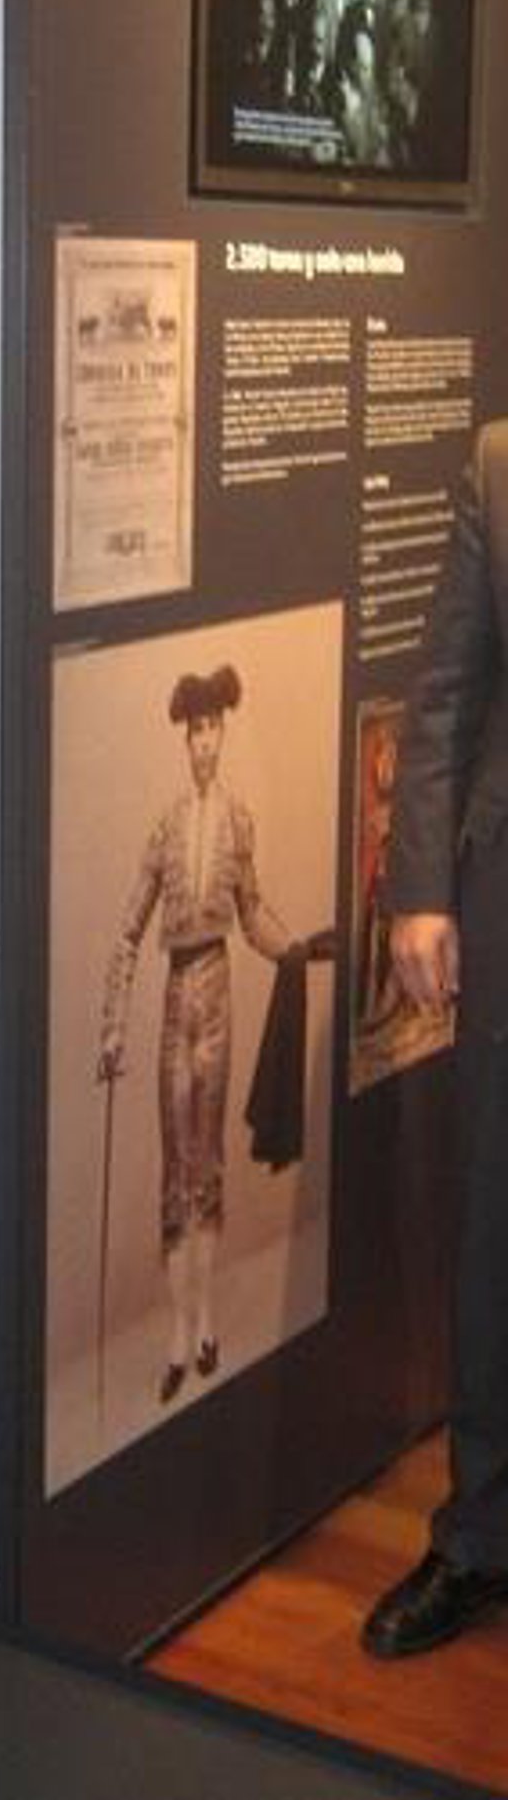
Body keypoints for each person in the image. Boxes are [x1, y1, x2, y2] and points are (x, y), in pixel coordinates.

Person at [363, 422, 508, 1659]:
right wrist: (419, 890)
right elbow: (444, 696)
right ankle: (480, 1537)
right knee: (496, 1231)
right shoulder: (501, 469)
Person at [96, 666, 305, 1403]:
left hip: (217, 990)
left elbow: (252, 914)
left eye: (213, 728)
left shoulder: (240, 821)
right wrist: (112, 1026)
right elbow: (129, 930)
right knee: (173, 1166)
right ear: (185, 741)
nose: (204, 742)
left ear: (223, 734)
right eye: (195, 731)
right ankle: (177, 1335)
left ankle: (205, 1320)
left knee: (207, 1160)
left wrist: (294, 950)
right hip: (175, 994)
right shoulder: (164, 826)